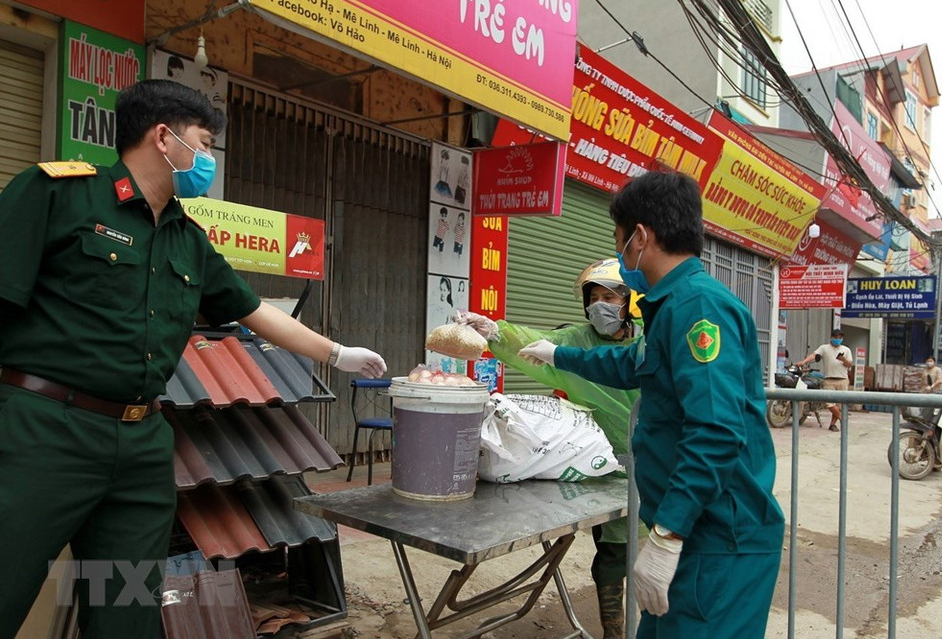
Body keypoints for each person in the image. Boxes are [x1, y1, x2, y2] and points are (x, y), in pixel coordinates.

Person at [0, 79, 387, 639]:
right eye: (203, 144)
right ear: (164, 138)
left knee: (123, 606)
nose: (207, 160)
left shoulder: (187, 238)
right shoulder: (57, 194)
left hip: (138, 448)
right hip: (43, 433)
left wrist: (336, 352)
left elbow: (251, 310)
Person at [516, 171, 784, 639]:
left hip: (717, 537)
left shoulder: (699, 309)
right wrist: (558, 354)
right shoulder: (671, 306)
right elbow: (631, 364)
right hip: (692, 528)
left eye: (619, 242)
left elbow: (717, 431)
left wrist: (667, 535)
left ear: (640, 237)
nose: (621, 256)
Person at [459, 258, 642, 639]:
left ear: (630, 302)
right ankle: (615, 633)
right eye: (593, 298)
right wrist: (496, 332)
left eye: (610, 296)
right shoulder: (576, 342)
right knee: (612, 558)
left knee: (664, 556)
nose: (600, 306)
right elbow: (535, 342)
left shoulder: (649, 342)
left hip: (659, 465)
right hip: (603, 470)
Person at [797, 328, 853, 431]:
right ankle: (842, 418)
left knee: (839, 405)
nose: (837, 339)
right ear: (831, 337)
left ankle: (832, 424)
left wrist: (843, 359)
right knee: (829, 403)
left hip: (843, 379)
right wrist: (803, 362)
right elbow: (814, 355)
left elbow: (850, 365)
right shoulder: (824, 348)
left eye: (840, 338)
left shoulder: (846, 350)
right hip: (829, 379)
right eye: (836, 337)